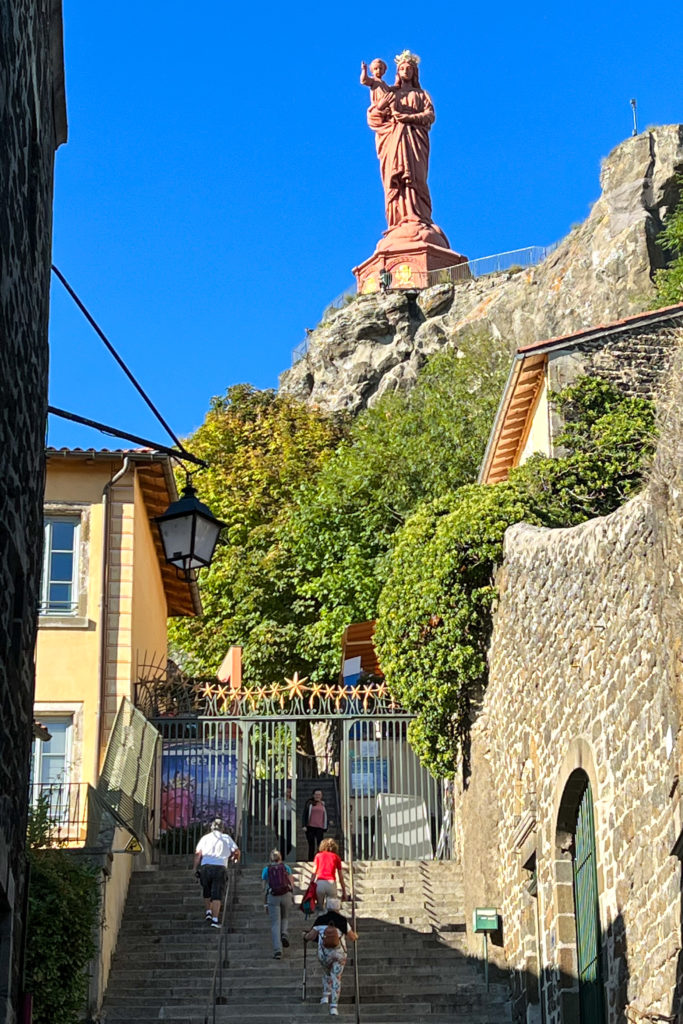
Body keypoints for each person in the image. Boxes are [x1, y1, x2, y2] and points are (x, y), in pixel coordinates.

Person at [304, 898, 358, 1017]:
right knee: (336, 978)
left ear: (327, 907)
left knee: (327, 973)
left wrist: (305, 935)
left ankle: (325, 996)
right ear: (338, 908)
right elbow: (352, 937)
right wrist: (355, 935)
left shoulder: (320, 920)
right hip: (339, 954)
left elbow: (311, 936)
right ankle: (334, 1006)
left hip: (324, 954)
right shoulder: (342, 920)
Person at [193, 817, 240, 928]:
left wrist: (194, 868)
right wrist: (235, 859)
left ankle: (208, 912)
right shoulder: (226, 838)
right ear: (222, 828)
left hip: (205, 866)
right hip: (220, 867)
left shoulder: (205, 838)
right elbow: (237, 851)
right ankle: (215, 919)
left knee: (207, 890)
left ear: (211, 828)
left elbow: (198, 853)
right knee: (217, 894)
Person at [261, 848, 293, 959]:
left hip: (273, 896)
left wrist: (265, 903)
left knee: (275, 923)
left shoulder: (266, 870)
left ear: (270, 858)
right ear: (280, 857)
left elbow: (264, 888)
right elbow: (291, 883)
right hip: (286, 895)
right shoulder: (286, 867)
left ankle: (278, 951)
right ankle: (284, 933)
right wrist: (291, 894)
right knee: (285, 917)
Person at [312, 838, 346, 910]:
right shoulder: (336, 857)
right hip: (331, 883)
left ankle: (320, 918)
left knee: (320, 908)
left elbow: (314, 872)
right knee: (332, 909)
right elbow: (341, 876)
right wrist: (344, 891)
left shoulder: (318, 856)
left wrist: (311, 884)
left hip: (320, 883)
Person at [269, 782, 295, 860]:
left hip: (289, 822)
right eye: (287, 791)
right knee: (281, 840)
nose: (288, 793)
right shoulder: (279, 800)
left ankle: (282, 855)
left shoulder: (293, 801)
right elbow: (270, 807)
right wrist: (269, 819)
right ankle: (281, 858)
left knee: (289, 841)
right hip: (280, 822)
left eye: (289, 791)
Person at [302, 788, 327, 860]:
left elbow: (326, 815)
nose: (317, 796)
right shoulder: (309, 803)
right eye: (316, 794)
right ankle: (311, 860)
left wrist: (326, 825)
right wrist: (304, 825)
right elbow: (304, 814)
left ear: (321, 795)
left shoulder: (323, 804)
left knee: (320, 845)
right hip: (310, 827)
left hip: (320, 827)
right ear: (313, 795)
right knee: (311, 845)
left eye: (319, 794)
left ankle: (320, 860)